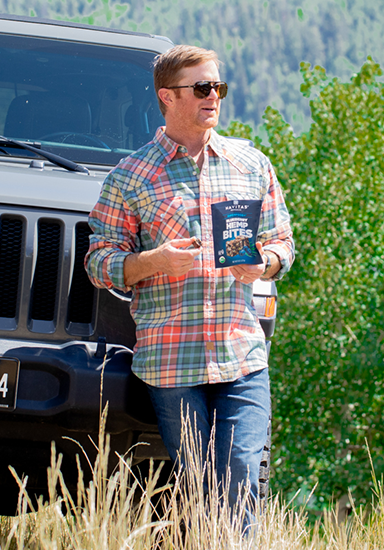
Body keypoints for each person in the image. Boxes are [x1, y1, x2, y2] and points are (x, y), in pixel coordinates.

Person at [85, 44, 294, 521]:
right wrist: (151, 262)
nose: (213, 97)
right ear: (168, 96)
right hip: (172, 363)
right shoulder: (130, 176)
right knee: (199, 486)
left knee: (242, 472)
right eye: (202, 87)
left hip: (240, 354)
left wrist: (264, 265)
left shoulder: (251, 164)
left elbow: (282, 241)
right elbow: (99, 262)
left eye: (218, 87)